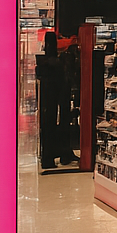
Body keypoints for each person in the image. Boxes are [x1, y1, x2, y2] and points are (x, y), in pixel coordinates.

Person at [35, 31, 77, 169]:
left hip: (47, 101)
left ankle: (49, 157)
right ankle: (60, 154)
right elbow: (63, 82)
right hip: (58, 99)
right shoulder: (57, 62)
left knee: (48, 127)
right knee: (58, 125)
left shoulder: (43, 62)